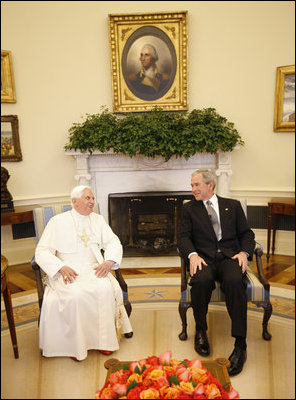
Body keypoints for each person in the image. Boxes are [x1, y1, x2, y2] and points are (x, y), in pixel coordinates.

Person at [35, 185, 133, 361]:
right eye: (87, 198)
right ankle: (76, 346)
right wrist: (59, 267)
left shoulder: (98, 220)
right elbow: (42, 251)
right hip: (67, 270)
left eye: (93, 198)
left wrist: (109, 261)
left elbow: (113, 242)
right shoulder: (57, 222)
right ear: (74, 201)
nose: (92, 202)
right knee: (76, 295)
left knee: (104, 290)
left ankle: (104, 342)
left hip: (93, 267)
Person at [178, 170, 255, 376]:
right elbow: (183, 237)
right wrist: (192, 255)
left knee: (234, 282)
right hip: (203, 258)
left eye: (197, 185)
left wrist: (244, 253)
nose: (193, 189)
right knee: (201, 282)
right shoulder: (189, 209)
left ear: (210, 185)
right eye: (192, 185)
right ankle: (201, 331)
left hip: (229, 257)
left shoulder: (233, 205)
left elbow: (247, 234)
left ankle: (240, 344)